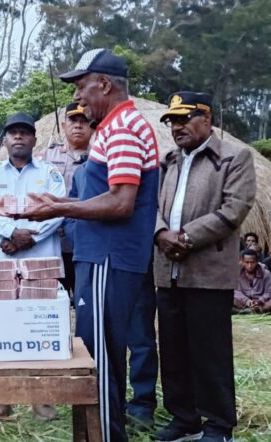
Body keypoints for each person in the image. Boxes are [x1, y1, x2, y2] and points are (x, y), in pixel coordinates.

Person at [14, 49, 160, 442]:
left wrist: (60, 207)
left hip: (109, 259)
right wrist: (62, 206)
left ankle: (107, 436)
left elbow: (121, 201)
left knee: (100, 359)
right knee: (100, 353)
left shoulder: (123, 128)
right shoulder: (113, 128)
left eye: (81, 86)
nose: (77, 97)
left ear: (105, 84)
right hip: (102, 257)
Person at [153, 91, 256, 442]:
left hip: (208, 272)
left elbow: (234, 209)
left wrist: (184, 238)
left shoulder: (233, 157)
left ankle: (218, 424)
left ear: (207, 119)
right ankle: (184, 418)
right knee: (173, 349)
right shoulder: (167, 161)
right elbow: (150, 208)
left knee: (209, 352)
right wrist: (160, 233)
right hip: (168, 271)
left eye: (184, 119)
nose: (177, 126)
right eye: (172, 121)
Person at [0, 111, 66, 420]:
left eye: (24, 132)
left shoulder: (50, 173)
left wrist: (31, 236)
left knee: (39, 326)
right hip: (0, 258)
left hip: (37, 259)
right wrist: (9, 233)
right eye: (13, 132)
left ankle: (42, 403)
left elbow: (59, 210)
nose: (18, 137)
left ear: (34, 138)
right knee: (0, 329)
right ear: (5, 139)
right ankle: (0, 402)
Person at [45, 102, 93, 294]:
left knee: (86, 298)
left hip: (85, 241)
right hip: (53, 241)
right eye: (73, 120)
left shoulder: (100, 157)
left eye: (84, 121)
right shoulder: (45, 157)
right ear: (64, 125)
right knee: (54, 302)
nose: (78, 125)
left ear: (93, 125)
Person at [233, 248, 271, 313]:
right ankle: (245, 311)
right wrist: (248, 301)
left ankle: (259, 310)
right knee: (229, 298)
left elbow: (268, 292)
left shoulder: (266, 273)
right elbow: (237, 292)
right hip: (242, 302)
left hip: (261, 303)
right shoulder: (237, 273)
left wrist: (259, 300)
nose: (250, 266)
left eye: (252, 262)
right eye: (247, 262)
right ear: (242, 261)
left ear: (257, 261)